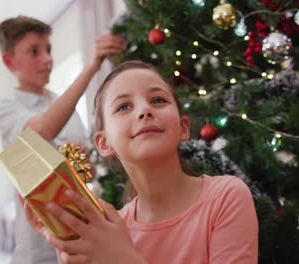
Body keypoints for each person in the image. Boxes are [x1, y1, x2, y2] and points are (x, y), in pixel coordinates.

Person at [25, 60, 259, 263]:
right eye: (124, 106)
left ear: (183, 128)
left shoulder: (226, 196)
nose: (145, 110)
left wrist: (120, 258)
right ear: (104, 143)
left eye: (157, 100)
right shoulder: (111, 229)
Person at [0, 15, 126, 264]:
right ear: (9, 61)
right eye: (34, 51)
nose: (47, 59)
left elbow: (87, 172)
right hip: (39, 248)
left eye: (48, 49)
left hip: (85, 238)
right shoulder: (7, 109)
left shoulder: (62, 104)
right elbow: (42, 130)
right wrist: (91, 67)